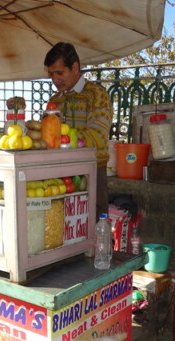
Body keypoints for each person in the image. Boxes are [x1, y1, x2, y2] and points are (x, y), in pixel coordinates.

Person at [44, 42, 113, 218]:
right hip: (60, 175)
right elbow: (47, 138)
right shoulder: (55, 101)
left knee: (92, 225)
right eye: (51, 74)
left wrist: (63, 139)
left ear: (75, 67)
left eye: (60, 73)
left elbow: (98, 137)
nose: (55, 79)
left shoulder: (96, 94)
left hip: (92, 172)